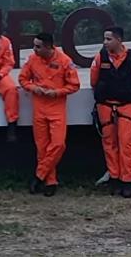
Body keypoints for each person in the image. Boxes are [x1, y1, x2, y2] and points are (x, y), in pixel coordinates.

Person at [19, 32, 80, 197]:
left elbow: (74, 85)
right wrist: (34, 88)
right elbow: (23, 79)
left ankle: (38, 176)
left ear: (49, 46)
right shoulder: (32, 60)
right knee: (42, 148)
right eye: (34, 46)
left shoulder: (65, 61)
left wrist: (57, 92)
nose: (34, 49)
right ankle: (50, 181)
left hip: (56, 108)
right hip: (39, 107)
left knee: (58, 144)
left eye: (38, 46)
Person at [91, 26, 131, 198]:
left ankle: (126, 181)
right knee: (109, 144)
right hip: (105, 105)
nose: (105, 42)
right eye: (104, 39)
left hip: (126, 106)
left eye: (108, 39)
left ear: (119, 40)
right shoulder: (100, 57)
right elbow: (94, 80)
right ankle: (114, 178)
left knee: (126, 144)